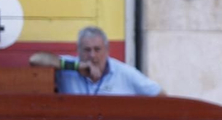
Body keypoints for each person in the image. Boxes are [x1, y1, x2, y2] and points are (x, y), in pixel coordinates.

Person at [30, 28, 164, 96]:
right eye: (87, 50)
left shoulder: (124, 72)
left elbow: (160, 95)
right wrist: (76, 66)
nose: (92, 55)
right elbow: (35, 60)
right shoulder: (70, 67)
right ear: (78, 51)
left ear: (107, 50)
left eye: (97, 49)